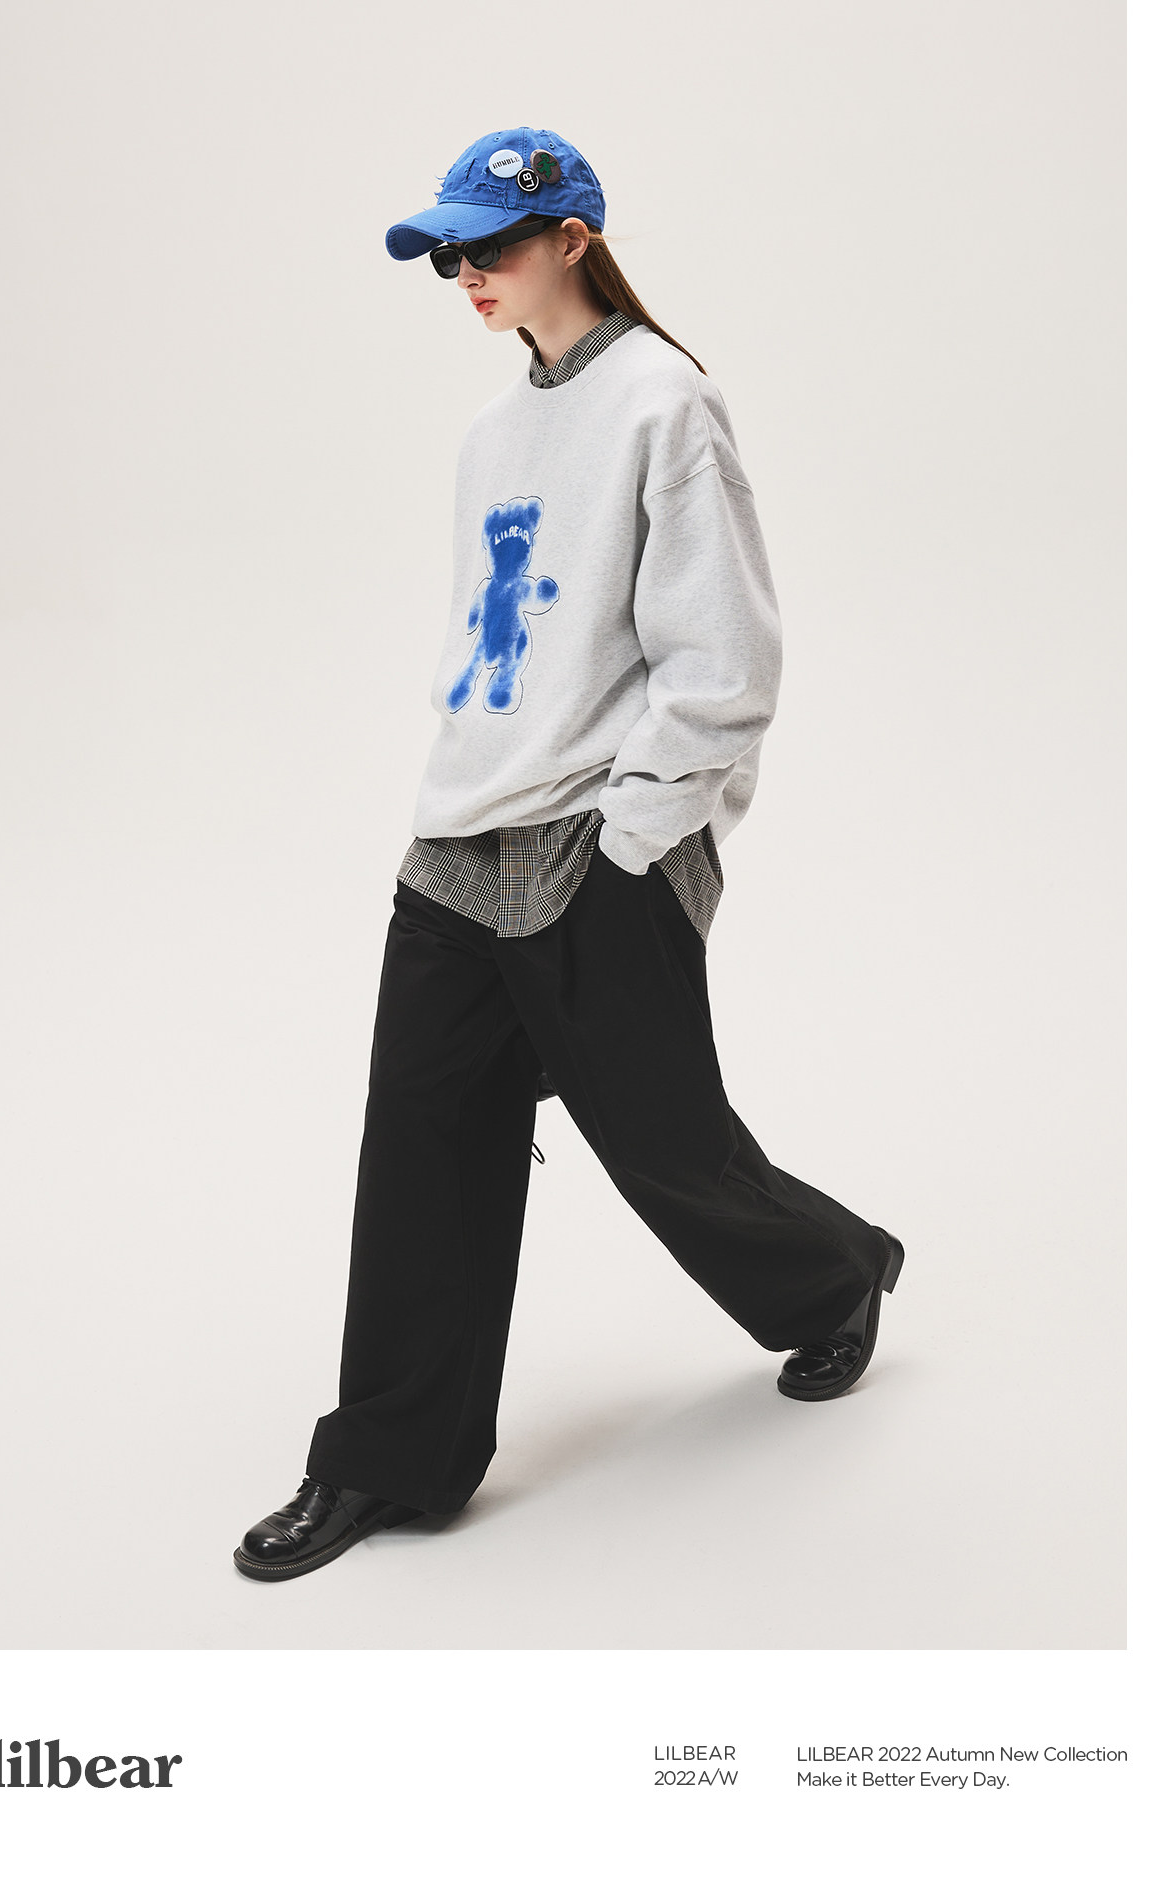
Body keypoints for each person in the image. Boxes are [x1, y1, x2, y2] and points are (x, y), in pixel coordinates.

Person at [234, 126, 905, 1584]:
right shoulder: (492, 435)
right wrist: (450, 793)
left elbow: (725, 662)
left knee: (666, 1148)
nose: (466, 274)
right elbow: (503, 652)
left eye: (488, 245)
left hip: (599, 840)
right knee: (420, 1143)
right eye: (448, 257)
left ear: (574, 237)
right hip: (459, 843)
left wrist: (635, 838)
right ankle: (388, 1460)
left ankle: (837, 1276)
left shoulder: (667, 402)